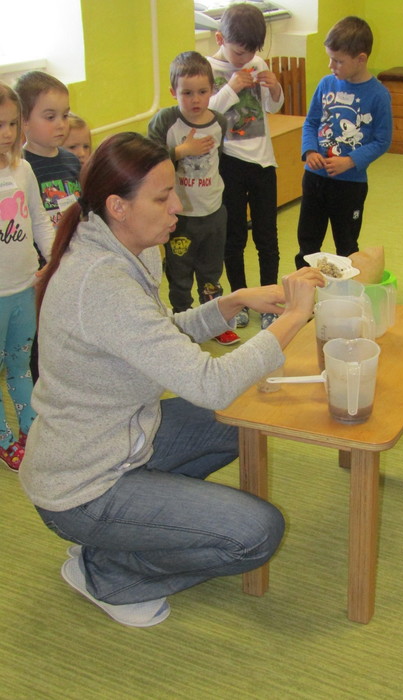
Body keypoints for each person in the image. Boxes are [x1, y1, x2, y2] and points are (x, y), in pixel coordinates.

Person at [18, 132, 324, 628]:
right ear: (118, 206)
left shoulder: (123, 244)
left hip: (123, 439)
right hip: (83, 486)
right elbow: (209, 383)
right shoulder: (100, 280)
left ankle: (130, 533)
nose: (177, 207)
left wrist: (231, 302)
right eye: (163, 198)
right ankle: (109, 574)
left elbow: (155, 336)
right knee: (257, 533)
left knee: (242, 419)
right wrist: (292, 319)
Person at [148, 51, 239, 346]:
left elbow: (217, 161)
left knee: (211, 271)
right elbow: (148, 161)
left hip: (212, 213)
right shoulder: (166, 121)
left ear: (212, 90)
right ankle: (183, 321)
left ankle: (214, 321)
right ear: (173, 92)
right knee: (180, 271)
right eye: (186, 93)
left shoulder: (219, 122)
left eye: (202, 92)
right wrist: (181, 152)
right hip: (180, 216)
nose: (195, 99)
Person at [207, 2, 284, 330]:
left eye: (251, 52)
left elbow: (273, 107)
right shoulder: (208, 68)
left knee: (267, 236)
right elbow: (207, 113)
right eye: (239, 52)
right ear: (219, 39)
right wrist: (232, 87)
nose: (245, 59)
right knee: (234, 236)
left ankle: (270, 302)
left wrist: (275, 87)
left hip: (263, 162)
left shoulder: (257, 62)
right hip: (229, 164)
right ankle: (239, 299)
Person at [294, 16, 392, 269]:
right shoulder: (326, 84)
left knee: (347, 245)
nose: (331, 66)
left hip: (350, 184)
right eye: (330, 58)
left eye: (338, 61)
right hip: (315, 178)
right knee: (307, 243)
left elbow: (382, 140)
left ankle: (346, 290)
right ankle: (305, 288)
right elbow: (311, 122)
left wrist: (350, 161)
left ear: (361, 59)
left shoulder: (379, 95)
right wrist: (310, 151)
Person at [0, 82, 54, 472]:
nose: (6, 133)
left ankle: (31, 429)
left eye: (12, 123)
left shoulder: (23, 169)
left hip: (24, 289)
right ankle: (4, 440)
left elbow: (39, 221)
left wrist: (56, 259)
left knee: (20, 365)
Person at [15, 71, 82, 382]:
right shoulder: (19, 167)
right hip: (39, 270)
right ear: (24, 121)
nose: (61, 124)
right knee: (40, 340)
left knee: (71, 333)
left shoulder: (70, 160)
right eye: (50, 116)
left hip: (71, 261)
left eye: (64, 115)